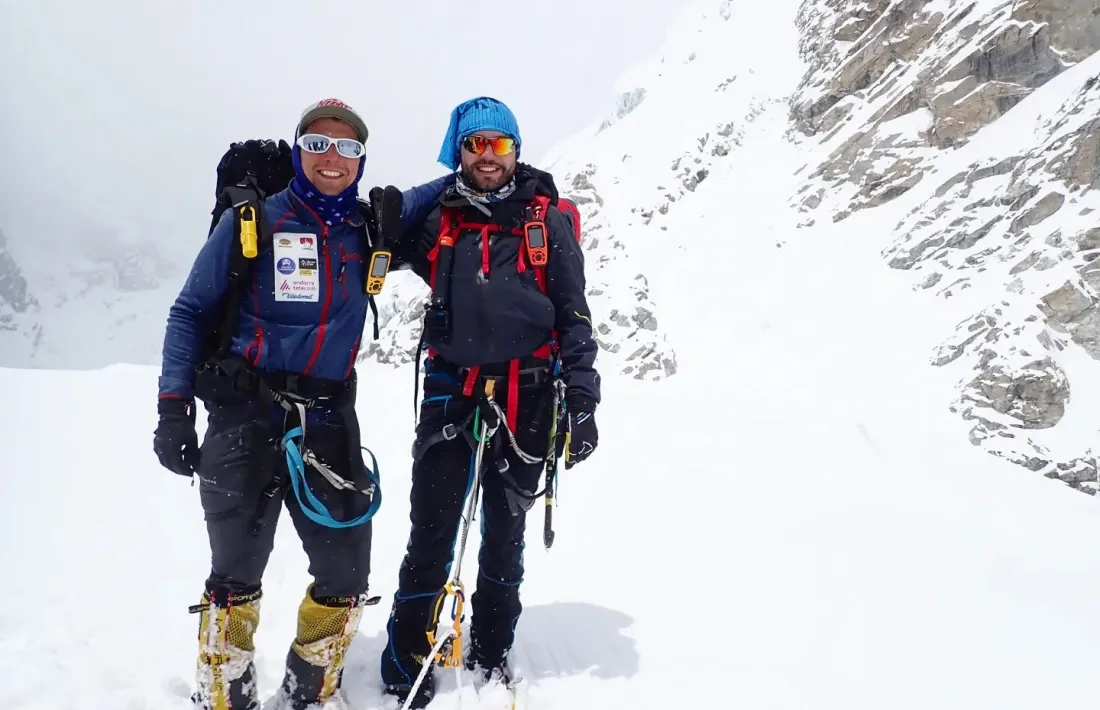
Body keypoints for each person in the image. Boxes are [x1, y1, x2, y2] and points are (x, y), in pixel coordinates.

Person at [152, 98, 384, 710]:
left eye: (348, 148)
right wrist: (173, 408)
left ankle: (312, 693)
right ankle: (225, 693)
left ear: (361, 159)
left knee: (345, 575)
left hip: (329, 421)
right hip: (244, 416)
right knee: (235, 574)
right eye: (318, 145)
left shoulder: (369, 232)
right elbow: (189, 312)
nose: (332, 158)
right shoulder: (255, 221)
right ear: (299, 150)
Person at [377, 96, 601, 709]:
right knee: (432, 529)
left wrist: (583, 401)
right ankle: (404, 662)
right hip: (454, 389)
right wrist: (412, 198)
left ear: (516, 150)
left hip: (530, 393)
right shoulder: (438, 221)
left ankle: (492, 650)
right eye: (474, 144)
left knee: (506, 533)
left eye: (499, 145)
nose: (488, 157)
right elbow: (372, 239)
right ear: (458, 150)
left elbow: (575, 315)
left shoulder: (544, 222)